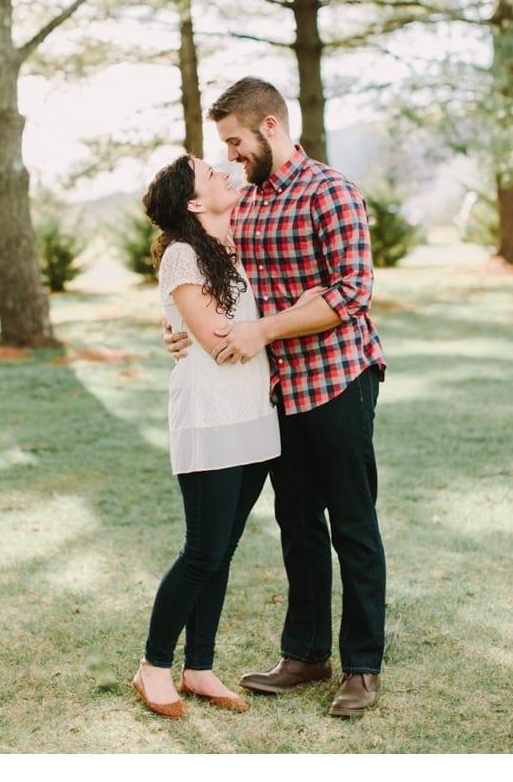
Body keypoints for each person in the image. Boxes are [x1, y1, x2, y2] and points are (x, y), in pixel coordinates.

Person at [165, 77, 388, 717]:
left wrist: (263, 328)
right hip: (276, 391)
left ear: (269, 125)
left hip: (339, 378)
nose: (230, 155)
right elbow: (218, 281)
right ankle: (306, 652)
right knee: (296, 524)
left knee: (352, 523)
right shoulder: (248, 203)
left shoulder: (332, 191)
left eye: (235, 141)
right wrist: (183, 327)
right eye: (224, 147)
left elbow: (350, 293)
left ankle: (362, 666)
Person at [133, 154, 283, 718]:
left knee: (223, 550)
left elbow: (224, 331)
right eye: (208, 171)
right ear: (195, 203)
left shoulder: (233, 246)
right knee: (201, 549)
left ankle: (199, 668)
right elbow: (218, 343)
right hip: (209, 417)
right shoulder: (182, 254)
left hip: (253, 415)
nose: (223, 170)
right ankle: (152, 666)